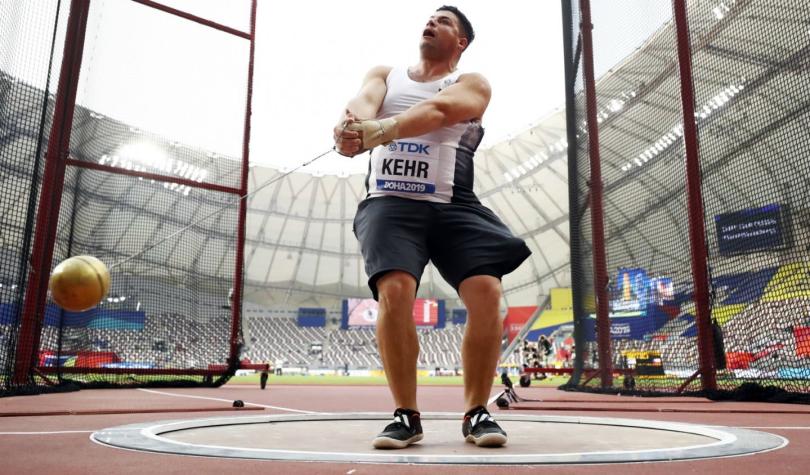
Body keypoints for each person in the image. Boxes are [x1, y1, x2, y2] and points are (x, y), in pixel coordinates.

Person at [334, 6, 531, 449]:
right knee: (396, 289)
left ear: (460, 42)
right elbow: (363, 101)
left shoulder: (471, 83)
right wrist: (350, 125)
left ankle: (477, 412)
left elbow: (443, 111)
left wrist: (379, 130)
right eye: (430, 18)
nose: (431, 22)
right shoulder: (386, 74)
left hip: (453, 202)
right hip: (390, 202)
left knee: (487, 292)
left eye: (444, 22)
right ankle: (406, 415)